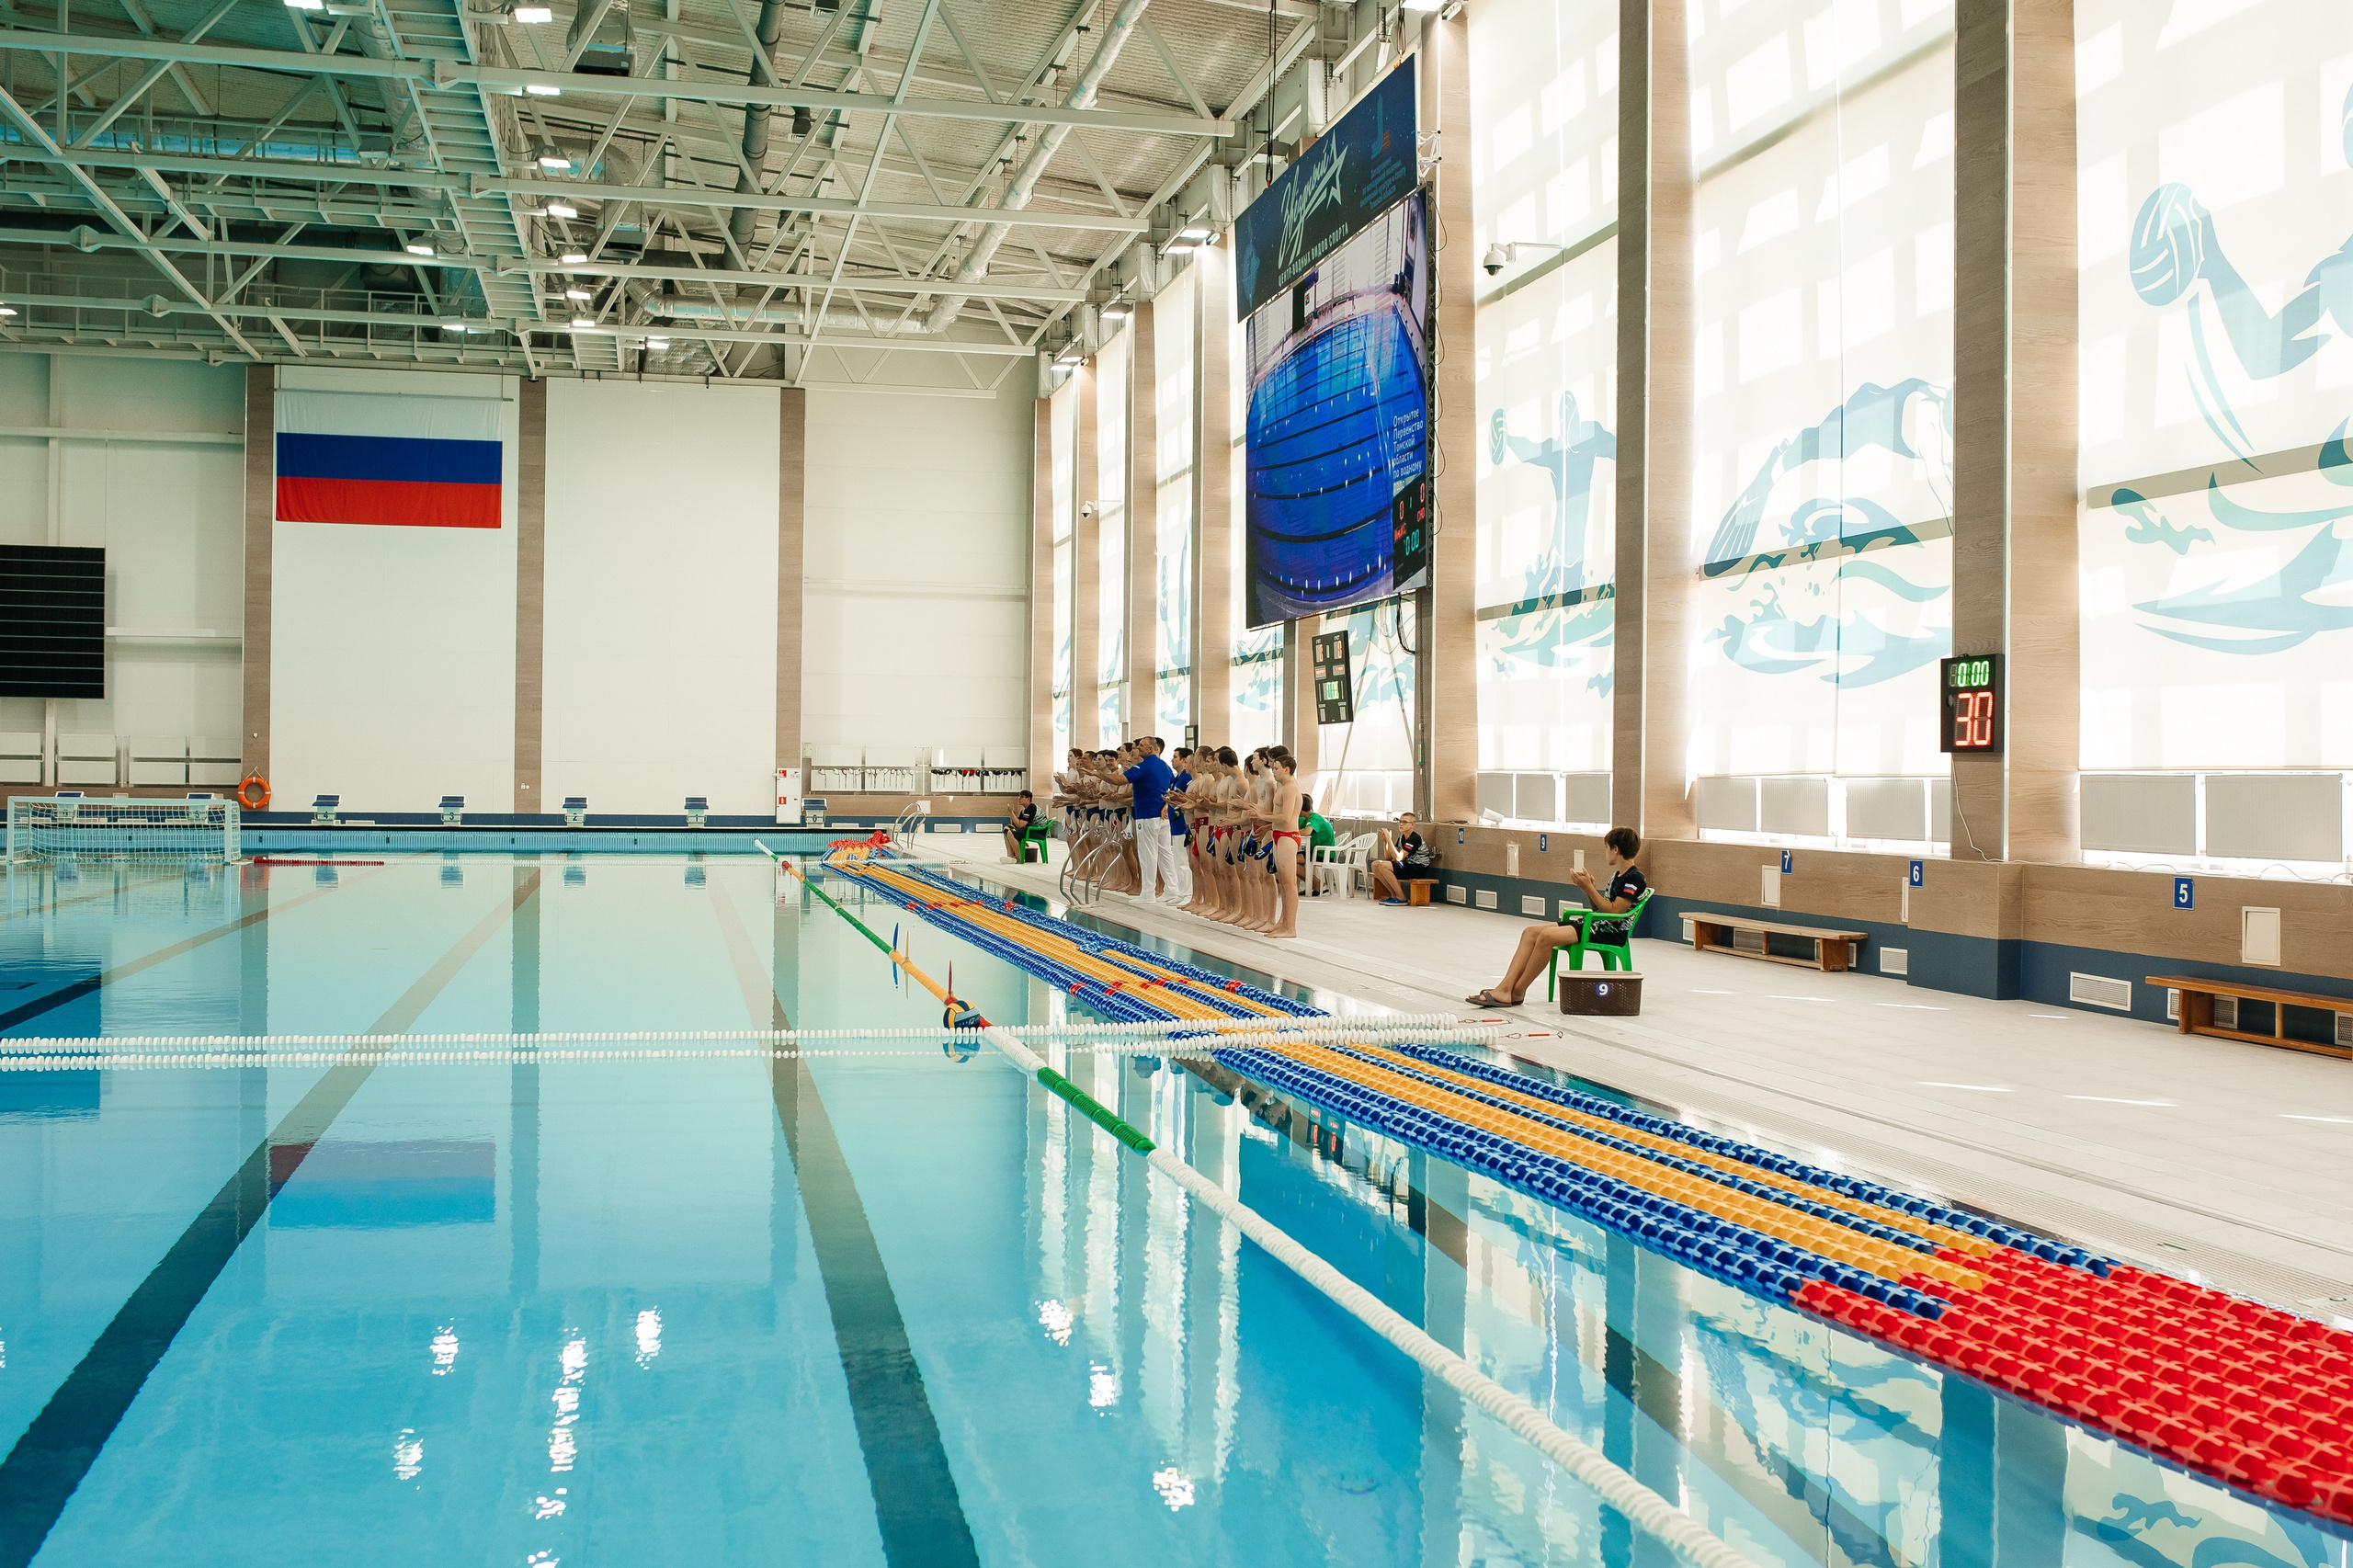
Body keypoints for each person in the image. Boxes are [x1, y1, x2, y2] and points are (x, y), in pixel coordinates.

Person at [1465, 826, 1649, 1007]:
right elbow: (1599, 910)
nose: (1606, 853)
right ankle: (1505, 988)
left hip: (1609, 931)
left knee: (1547, 937)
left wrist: (1590, 888)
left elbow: (1614, 915)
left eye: (1607, 848)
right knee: (1530, 932)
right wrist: (1587, 890)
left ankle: (1518, 991)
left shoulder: (1634, 878)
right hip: (1596, 924)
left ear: (1616, 849)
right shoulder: (1617, 876)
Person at [1123, 735, 1178, 904]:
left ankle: (1148, 892)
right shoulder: (1164, 767)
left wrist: (1096, 775)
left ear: (1151, 749)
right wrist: (1166, 804)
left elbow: (1120, 780)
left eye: (1141, 746)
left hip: (1147, 815)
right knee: (1164, 853)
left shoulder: (1145, 766)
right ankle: (1172, 889)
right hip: (1161, 816)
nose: (1137, 748)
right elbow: (1172, 786)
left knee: (1148, 854)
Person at [1370, 811, 1429, 904]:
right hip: (1407, 865)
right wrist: (1385, 841)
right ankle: (1394, 895)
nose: (1401, 824)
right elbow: (1388, 857)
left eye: (1404, 822)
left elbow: (1398, 858)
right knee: (1375, 864)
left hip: (1418, 867)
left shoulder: (1415, 838)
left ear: (1412, 824)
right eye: (1400, 821)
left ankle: (1401, 897)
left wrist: (1389, 840)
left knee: (1383, 865)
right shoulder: (1402, 838)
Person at [1297, 793, 1336, 893]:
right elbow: (1298, 828)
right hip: (1313, 851)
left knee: (1291, 863)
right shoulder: (1305, 818)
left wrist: (1291, 832)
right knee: (1289, 860)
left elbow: (1306, 832)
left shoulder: (1314, 818)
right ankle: (1315, 884)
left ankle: (1317, 883)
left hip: (1323, 854)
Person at [1001, 790, 1042, 863]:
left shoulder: (1031, 808)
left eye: (1021, 797)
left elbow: (1020, 825)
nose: (1019, 798)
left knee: (1011, 833)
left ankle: (1019, 858)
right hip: (1029, 829)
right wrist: (1012, 813)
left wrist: (1012, 813)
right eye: (1019, 796)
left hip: (1037, 831)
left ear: (1028, 799)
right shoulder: (1024, 810)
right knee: (1006, 830)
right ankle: (1010, 856)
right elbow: (1015, 825)